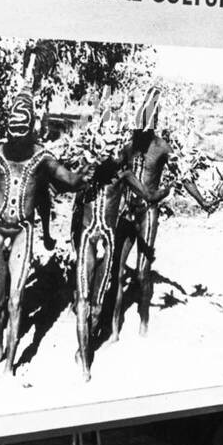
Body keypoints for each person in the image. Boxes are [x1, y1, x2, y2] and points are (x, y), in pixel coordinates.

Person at [0, 89, 88, 372]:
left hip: (23, 230)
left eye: (23, 129)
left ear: (32, 126)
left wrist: (90, 171)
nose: (17, 136)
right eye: (13, 129)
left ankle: (11, 361)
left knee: (16, 299)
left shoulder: (42, 158)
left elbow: (69, 180)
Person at [111, 88, 220, 339]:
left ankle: (144, 319)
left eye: (146, 128)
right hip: (127, 212)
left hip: (148, 212)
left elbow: (184, 177)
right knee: (116, 271)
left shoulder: (162, 148)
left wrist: (202, 201)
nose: (142, 133)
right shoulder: (128, 147)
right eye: (140, 128)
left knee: (141, 271)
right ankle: (114, 326)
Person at [69, 103, 167, 378]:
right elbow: (71, 193)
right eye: (106, 136)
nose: (110, 143)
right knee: (84, 300)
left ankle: (103, 333)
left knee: (98, 302)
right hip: (89, 236)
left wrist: (165, 191)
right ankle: (85, 357)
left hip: (109, 237)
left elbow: (147, 196)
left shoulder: (124, 172)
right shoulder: (87, 168)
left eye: (114, 138)